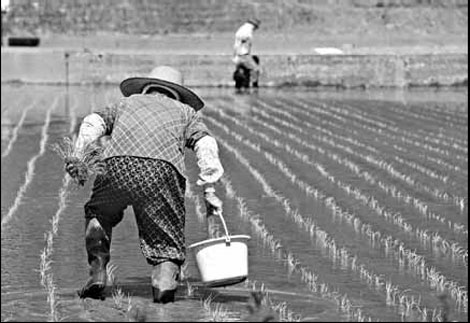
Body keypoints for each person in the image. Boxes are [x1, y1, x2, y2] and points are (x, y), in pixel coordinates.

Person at [66, 66, 224, 303]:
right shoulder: (186, 112)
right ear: (178, 93)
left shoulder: (125, 103)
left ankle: (97, 272)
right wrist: (209, 188)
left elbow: (92, 122)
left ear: (147, 87)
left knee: (99, 213)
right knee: (165, 238)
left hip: (116, 166)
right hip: (161, 172)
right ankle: (162, 292)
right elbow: (206, 144)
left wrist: (79, 155)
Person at [232, 18, 261, 88]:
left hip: (238, 55)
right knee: (256, 69)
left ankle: (239, 86)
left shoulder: (241, 29)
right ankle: (255, 87)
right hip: (244, 55)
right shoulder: (247, 30)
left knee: (243, 71)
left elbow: (236, 45)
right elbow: (244, 39)